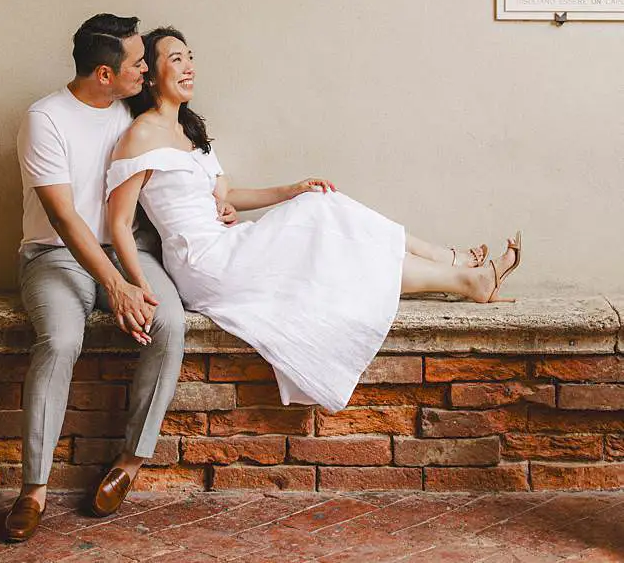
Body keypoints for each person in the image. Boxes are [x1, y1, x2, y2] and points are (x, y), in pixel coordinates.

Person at [105, 27, 522, 415]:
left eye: (190, 57)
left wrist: (291, 189)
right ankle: (450, 260)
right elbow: (121, 222)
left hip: (229, 244)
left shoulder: (190, 131)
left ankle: (466, 278)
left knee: (324, 214)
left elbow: (226, 196)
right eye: (176, 59)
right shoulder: (141, 134)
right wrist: (137, 286)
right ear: (151, 77)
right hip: (205, 264)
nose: (189, 66)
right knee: (320, 215)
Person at [2, 14, 186, 544]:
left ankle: (130, 460)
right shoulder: (46, 118)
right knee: (60, 340)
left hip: (129, 252)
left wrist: (215, 203)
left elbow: (179, 165)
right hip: (53, 256)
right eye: (136, 63)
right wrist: (115, 285)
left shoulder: (135, 112)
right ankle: (33, 489)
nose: (146, 69)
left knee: (170, 323)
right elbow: (63, 216)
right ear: (104, 73)